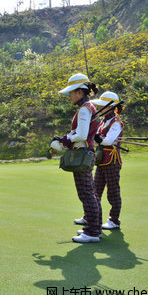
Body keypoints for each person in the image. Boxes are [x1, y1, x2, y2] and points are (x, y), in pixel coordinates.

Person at [50, 73, 101, 243]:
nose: (69, 96)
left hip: (83, 155)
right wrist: (63, 139)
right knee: (89, 192)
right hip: (86, 153)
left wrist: (65, 140)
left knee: (86, 193)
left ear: (80, 92)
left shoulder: (85, 109)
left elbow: (81, 134)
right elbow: (78, 133)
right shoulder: (87, 107)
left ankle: (92, 231)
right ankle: (95, 227)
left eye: (72, 92)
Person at [91, 91, 124, 230]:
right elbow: (99, 138)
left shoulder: (116, 123)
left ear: (111, 107)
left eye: (103, 106)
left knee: (113, 192)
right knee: (95, 190)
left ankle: (114, 220)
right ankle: (90, 216)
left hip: (112, 161)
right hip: (101, 160)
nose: (100, 109)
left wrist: (99, 138)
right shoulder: (104, 121)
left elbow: (109, 140)